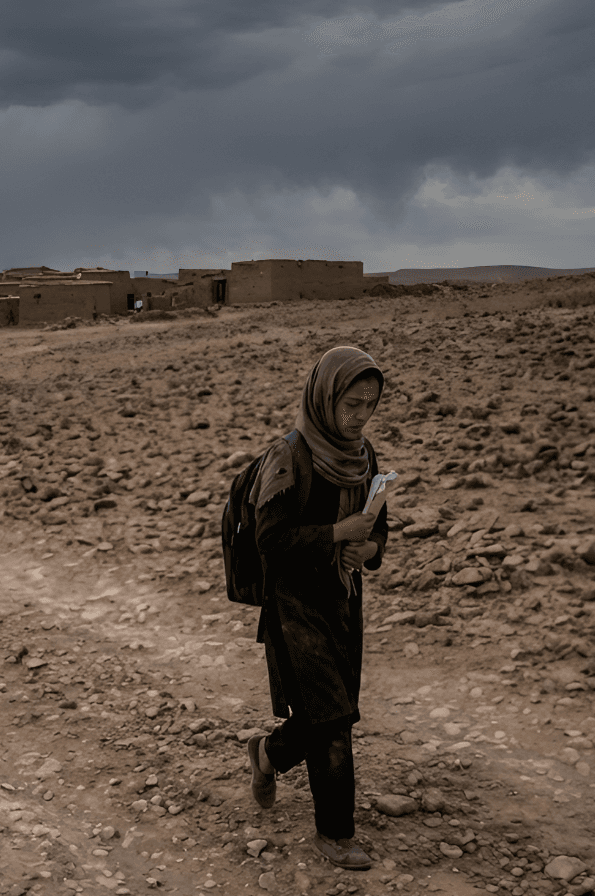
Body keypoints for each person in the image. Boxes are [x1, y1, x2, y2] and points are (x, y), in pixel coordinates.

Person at [243, 346, 390, 870]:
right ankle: (336, 834)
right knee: (332, 717)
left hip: (342, 601)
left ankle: (267, 754)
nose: (358, 416)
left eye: (369, 405)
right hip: (294, 606)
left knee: (330, 711)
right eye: (351, 403)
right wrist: (334, 534)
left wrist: (365, 548)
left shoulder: (363, 456)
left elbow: (380, 532)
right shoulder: (288, 457)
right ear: (326, 397)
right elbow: (270, 540)